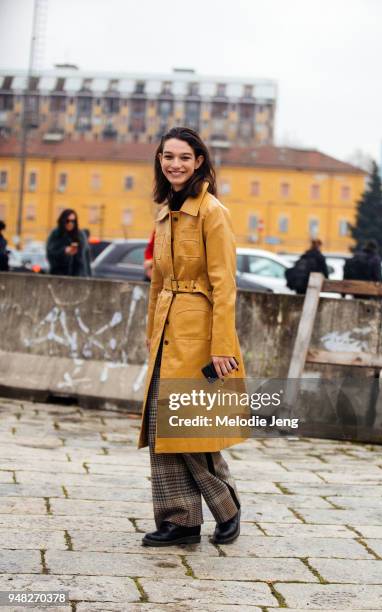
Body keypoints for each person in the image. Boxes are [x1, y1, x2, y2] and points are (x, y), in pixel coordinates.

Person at [138, 127, 245, 547]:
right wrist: (150, 331)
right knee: (161, 425)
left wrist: (222, 345)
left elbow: (225, 283)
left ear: (199, 161)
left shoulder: (213, 212)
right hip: (166, 326)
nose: (175, 164)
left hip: (200, 331)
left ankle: (226, 506)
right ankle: (179, 520)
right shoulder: (164, 211)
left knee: (190, 425)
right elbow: (157, 282)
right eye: (168, 156)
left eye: (184, 157)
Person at [46, 209, 92, 277]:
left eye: (73, 221)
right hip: (59, 275)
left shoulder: (80, 236)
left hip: (79, 277)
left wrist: (88, 276)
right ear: (63, 221)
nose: (70, 223)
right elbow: (50, 253)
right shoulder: (56, 234)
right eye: (67, 221)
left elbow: (86, 259)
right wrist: (64, 251)